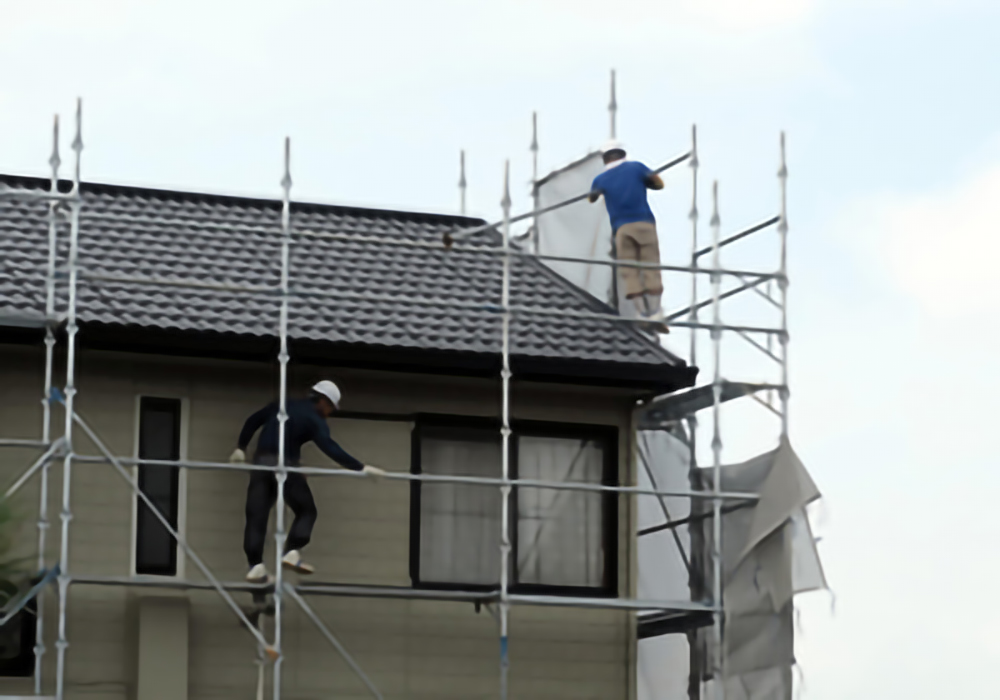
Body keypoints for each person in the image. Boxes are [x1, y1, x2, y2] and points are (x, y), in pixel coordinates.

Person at [229, 380, 385, 582]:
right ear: (322, 400)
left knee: (256, 516)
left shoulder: (283, 405)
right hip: (284, 467)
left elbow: (253, 421)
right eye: (330, 407)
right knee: (306, 510)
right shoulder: (315, 419)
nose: (329, 412)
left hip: (261, 465)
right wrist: (360, 468)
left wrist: (240, 447)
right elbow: (330, 447)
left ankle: (255, 565)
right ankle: (292, 551)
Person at [589, 139, 668, 333]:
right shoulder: (636, 168)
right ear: (623, 154)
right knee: (651, 265)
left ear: (605, 159)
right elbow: (659, 184)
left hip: (621, 229)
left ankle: (641, 313)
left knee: (630, 269)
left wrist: (601, 191)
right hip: (644, 223)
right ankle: (656, 312)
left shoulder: (600, 179)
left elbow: (591, 198)